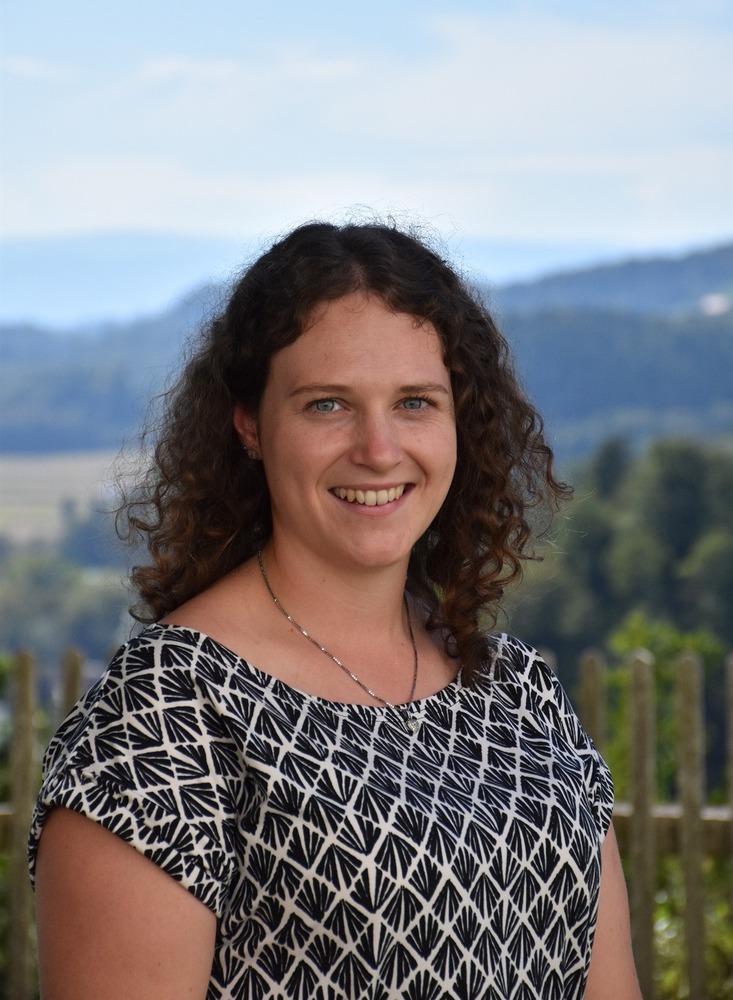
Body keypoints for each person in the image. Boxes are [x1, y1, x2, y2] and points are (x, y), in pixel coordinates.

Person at [30, 219, 642, 1000]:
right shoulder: (165, 716)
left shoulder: (518, 693)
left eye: (414, 402)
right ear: (250, 425)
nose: (379, 450)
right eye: (327, 405)